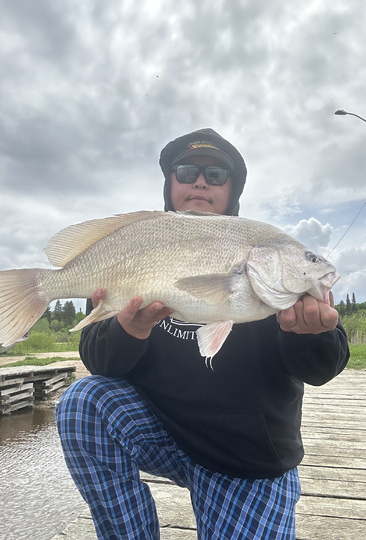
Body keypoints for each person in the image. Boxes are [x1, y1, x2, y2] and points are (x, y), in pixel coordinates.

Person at [56, 128, 349, 539]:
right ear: (170, 182)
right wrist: (128, 331)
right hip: (161, 431)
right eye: (186, 170)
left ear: (233, 189)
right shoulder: (133, 247)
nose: (199, 181)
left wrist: (309, 335)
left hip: (245, 455)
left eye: (216, 174)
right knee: (82, 402)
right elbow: (100, 363)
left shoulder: (275, 265)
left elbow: (323, 368)